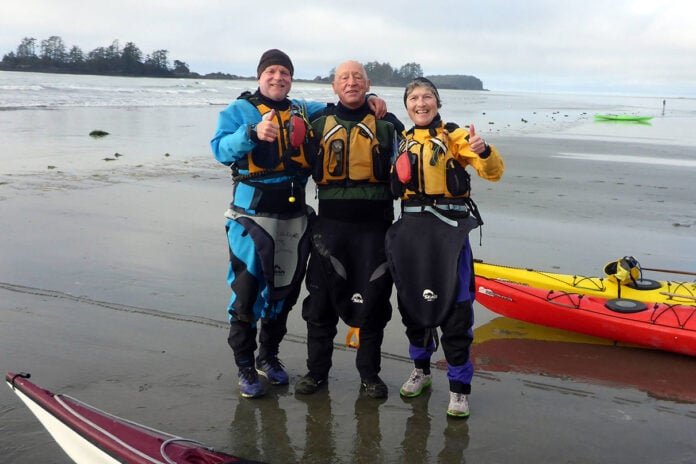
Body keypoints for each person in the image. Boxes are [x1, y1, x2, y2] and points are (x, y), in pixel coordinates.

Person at [211, 50, 386, 399]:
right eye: (272, 72)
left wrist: (371, 98)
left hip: (293, 215)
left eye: (285, 73)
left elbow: (341, 104)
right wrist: (251, 132)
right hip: (252, 215)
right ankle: (246, 367)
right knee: (248, 292)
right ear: (260, 76)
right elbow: (220, 149)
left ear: (291, 79)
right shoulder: (238, 111)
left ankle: (268, 356)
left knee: (284, 292)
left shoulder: (303, 110)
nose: (278, 78)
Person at [385, 77, 504, 417]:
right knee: (413, 308)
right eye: (413, 99)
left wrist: (483, 151)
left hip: (449, 236)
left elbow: (491, 171)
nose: (420, 103)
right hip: (411, 235)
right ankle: (421, 371)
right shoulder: (402, 142)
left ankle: (459, 389)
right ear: (406, 106)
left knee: (456, 312)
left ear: (437, 102)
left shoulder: (455, 137)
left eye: (427, 97)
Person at [294, 60, 404, 399]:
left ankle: (369, 376)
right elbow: (285, 119)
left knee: (373, 305)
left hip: (375, 230)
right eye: (344, 77)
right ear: (334, 86)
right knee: (321, 305)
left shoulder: (388, 124)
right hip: (329, 229)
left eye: (358, 77)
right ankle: (316, 374)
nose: (351, 82)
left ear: (368, 84)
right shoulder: (318, 123)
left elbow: (414, 161)